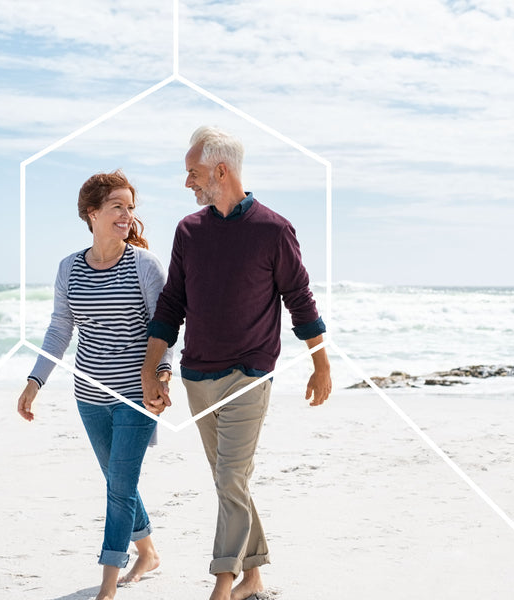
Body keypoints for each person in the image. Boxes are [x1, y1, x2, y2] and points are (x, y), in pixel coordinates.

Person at [140, 126, 332, 600]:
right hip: (196, 376)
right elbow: (171, 304)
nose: (188, 182)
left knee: (229, 478)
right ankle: (254, 576)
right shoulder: (189, 231)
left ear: (220, 171)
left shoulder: (273, 229)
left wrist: (321, 363)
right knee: (232, 482)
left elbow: (300, 299)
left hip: (249, 373)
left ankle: (223, 583)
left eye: (193, 173)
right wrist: (152, 369)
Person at [16, 170, 172, 600]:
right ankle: (149, 552)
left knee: (119, 486)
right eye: (118, 206)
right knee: (116, 481)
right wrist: (35, 380)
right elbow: (60, 327)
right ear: (93, 213)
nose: (127, 215)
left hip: (135, 396)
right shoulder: (70, 267)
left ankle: (107, 585)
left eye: (130, 208)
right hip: (89, 395)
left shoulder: (144, 264)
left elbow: (165, 327)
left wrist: (163, 375)